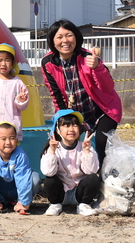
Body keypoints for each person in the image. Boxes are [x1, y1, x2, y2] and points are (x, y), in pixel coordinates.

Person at [41, 19, 122, 168]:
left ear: (76, 37)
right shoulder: (48, 62)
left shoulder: (88, 57)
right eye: (59, 37)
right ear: (53, 41)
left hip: (103, 109)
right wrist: (62, 118)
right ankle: (68, 177)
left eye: (69, 35)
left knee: (101, 144)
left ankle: (106, 178)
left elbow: (108, 87)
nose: (65, 41)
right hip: (73, 111)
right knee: (59, 142)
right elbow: (55, 93)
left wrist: (98, 67)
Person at [40, 109, 100, 216]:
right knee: (50, 180)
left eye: (75, 125)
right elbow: (48, 172)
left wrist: (86, 151)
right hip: (61, 192)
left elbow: (91, 170)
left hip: (79, 192)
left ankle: (84, 205)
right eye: (66, 126)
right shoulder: (53, 148)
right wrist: (52, 151)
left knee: (94, 178)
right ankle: (55, 205)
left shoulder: (85, 147)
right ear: (58, 130)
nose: (71, 129)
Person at [0, 122, 41, 215]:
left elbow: (23, 179)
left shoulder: (20, 155)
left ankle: (19, 202)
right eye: (3, 139)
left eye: (12, 138)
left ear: (17, 139)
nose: (8, 142)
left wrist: (24, 202)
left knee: (35, 178)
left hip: (15, 191)